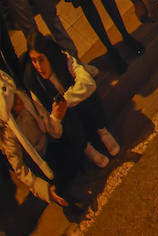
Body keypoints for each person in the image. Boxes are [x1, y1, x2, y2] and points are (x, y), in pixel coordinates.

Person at [23, 36, 120, 168]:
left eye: (41, 59)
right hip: (69, 125)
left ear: (50, 56)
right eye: (34, 61)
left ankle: (103, 132)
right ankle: (87, 149)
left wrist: (67, 100)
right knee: (66, 118)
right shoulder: (33, 82)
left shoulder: (64, 59)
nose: (39, 66)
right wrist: (56, 117)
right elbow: (48, 125)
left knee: (89, 95)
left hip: (81, 108)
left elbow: (88, 82)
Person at [0, 66, 86, 212]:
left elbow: (46, 121)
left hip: (48, 145)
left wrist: (56, 117)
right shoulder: (9, 133)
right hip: (38, 162)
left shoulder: (24, 98)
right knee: (59, 190)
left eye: (17, 97)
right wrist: (45, 190)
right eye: (15, 103)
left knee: (74, 151)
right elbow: (20, 168)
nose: (19, 101)